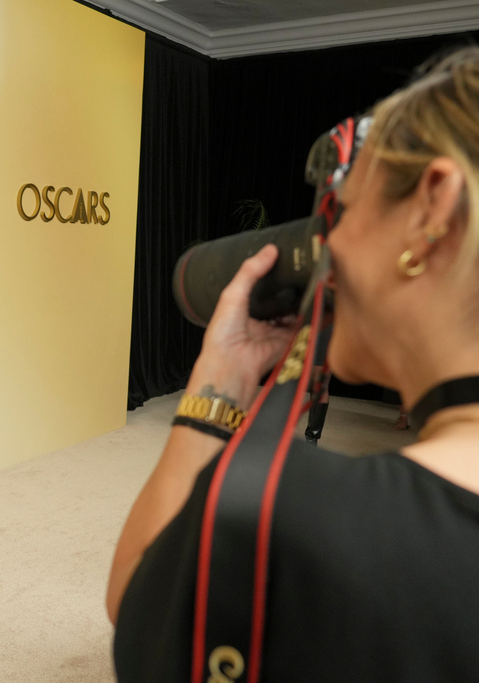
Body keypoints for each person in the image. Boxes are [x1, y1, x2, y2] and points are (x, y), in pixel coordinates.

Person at [108, 47, 479, 681]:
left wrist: (215, 387)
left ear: (432, 210)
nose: (324, 245)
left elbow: (140, 600)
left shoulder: (298, 522)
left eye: (345, 209)